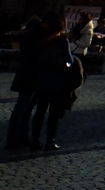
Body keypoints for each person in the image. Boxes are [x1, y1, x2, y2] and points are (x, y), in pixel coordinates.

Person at [28, 13, 78, 151]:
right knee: (53, 114)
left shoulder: (42, 41)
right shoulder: (62, 41)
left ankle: (35, 140)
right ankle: (50, 141)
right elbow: (70, 60)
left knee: (40, 112)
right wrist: (65, 66)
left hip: (42, 80)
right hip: (57, 81)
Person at [5, 15, 43, 150]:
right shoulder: (35, 38)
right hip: (30, 77)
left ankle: (19, 137)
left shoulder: (27, 36)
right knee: (23, 108)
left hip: (26, 76)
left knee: (25, 108)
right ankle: (15, 138)